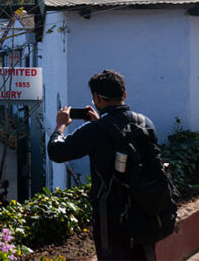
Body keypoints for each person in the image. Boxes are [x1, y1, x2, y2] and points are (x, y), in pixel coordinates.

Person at [47, 70, 158, 261]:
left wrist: (60, 126)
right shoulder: (144, 122)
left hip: (111, 217)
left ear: (96, 98)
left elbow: (57, 152)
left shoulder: (95, 131)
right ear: (124, 95)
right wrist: (100, 123)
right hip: (146, 210)